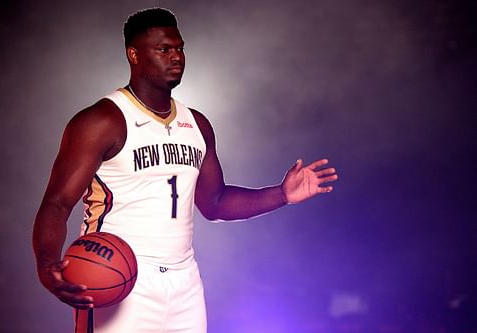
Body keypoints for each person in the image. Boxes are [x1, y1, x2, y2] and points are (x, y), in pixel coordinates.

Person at [32, 7, 338, 333]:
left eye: (179, 48)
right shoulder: (102, 121)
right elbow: (57, 203)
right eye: (163, 49)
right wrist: (48, 264)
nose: (176, 57)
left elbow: (215, 203)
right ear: (133, 54)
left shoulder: (197, 124)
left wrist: (281, 194)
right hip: (118, 273)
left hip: (184, 281)